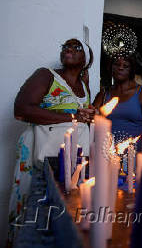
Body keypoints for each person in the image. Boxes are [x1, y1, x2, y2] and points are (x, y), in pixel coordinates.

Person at [10, 38, 95, 241]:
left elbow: (82, 118)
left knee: (61, 208)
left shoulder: (85, 86)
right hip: (38, 150)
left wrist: (89, 115)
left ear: (86, 59)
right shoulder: (46, 75)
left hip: (68, 158)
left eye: (77, 47)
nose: (69, 49)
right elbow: (21, 110)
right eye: (66, 46)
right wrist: (73, 117)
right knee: (32, 205)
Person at [93, 54, 142, 147]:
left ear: (131, 69)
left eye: (125, 66)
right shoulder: (104, 94)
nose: (120, 68)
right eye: (116, 64)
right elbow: (93, 117)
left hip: (134, 155)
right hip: (107, 154)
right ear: (110, 67)